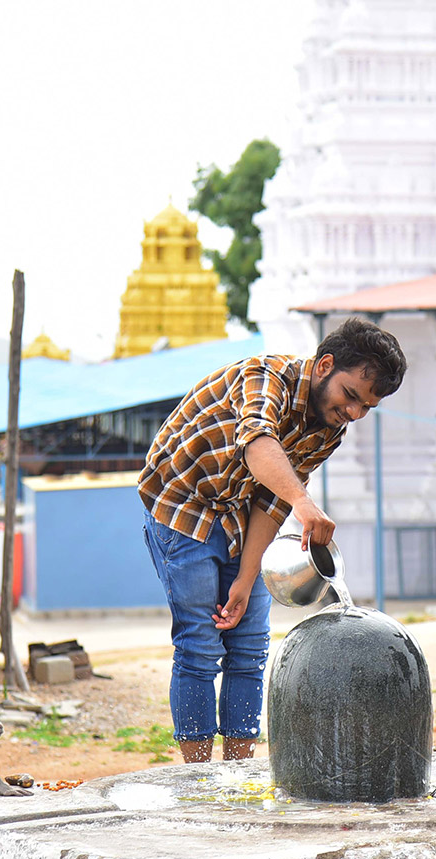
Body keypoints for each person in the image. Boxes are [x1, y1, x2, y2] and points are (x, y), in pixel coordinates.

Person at [138, 318, 407, 764]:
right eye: (351, 397)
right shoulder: (265, 377)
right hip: (181, 501)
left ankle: (238, 772)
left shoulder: (329, 427)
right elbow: (257, 442)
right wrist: (305, 503)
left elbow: (270, 500)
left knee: (249, 646)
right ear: (324, 366)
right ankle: (200, 779)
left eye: (367, 408)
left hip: (240, 511)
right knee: (201, 644)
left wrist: (247, 577)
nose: (355, 413)